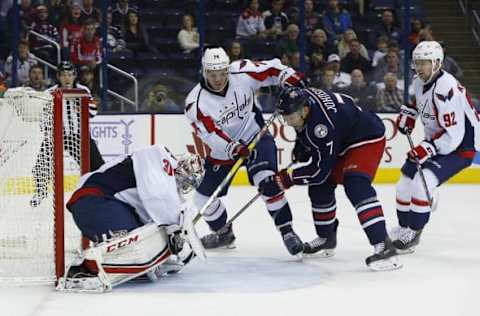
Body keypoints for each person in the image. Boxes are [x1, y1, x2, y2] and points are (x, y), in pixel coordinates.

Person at [184, 47, 305, 256]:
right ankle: (224, 234)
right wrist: (233, 147)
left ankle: (287, 232)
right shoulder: (195, 103)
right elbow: (211, 134)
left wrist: (289, 77)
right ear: (204, 72)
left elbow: (273, 69)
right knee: (202, 198)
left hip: (255, 136)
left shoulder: (241, 71)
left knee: (267, 182)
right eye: (213, 74)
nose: (219, 79)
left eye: (222, 73)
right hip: (225, 150)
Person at [273, 86, 401, 271]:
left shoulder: (320, 127)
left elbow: (319, 171)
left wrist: (289, 178)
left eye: (290, 117)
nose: (287, 122)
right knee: (320, 187)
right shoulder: (304, 98)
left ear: (305, 110)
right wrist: (302, 144)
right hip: (342, 137)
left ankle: (384, 246)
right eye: (284, 117)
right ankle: (327, 238)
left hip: (365, 138)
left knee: (355, 184)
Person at [58, 145, 205, 292]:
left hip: (106, 205)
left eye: (189, 175)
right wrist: (177, 236)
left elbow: (164, 213)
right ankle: (84, 270)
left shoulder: (170, 189)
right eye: (186, 168)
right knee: (141, 245)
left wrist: (178, 242)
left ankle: (113, 262)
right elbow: (158, 198)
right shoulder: (159, 156)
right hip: (92, 202)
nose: (185, 174)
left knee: (152, 242)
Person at [391, 41, 480, 252]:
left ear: (437, 63)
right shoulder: (418, 81)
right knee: (403, 184)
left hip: (460, 147)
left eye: (424, 63)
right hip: (438, 142)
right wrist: (409, 113)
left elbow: (454, 136)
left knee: (422, 185)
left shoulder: (446, 89)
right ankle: (404, 228)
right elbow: (418, 102)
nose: (419, 67)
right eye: (417, 62)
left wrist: (427, 149)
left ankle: (413, 233)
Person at [30, 61, 105, 207]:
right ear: (58, 76)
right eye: (63, 75)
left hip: (79, 135)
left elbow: (92, 113)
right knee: (41, 163)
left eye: (70, 75)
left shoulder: (83, 91)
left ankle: (99, 191)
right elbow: (43, 116)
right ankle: (40, 191)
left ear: (74, 76)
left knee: (97, 165)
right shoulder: (50, 93)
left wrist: (78, 104)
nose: (67, 78)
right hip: (57, 135)